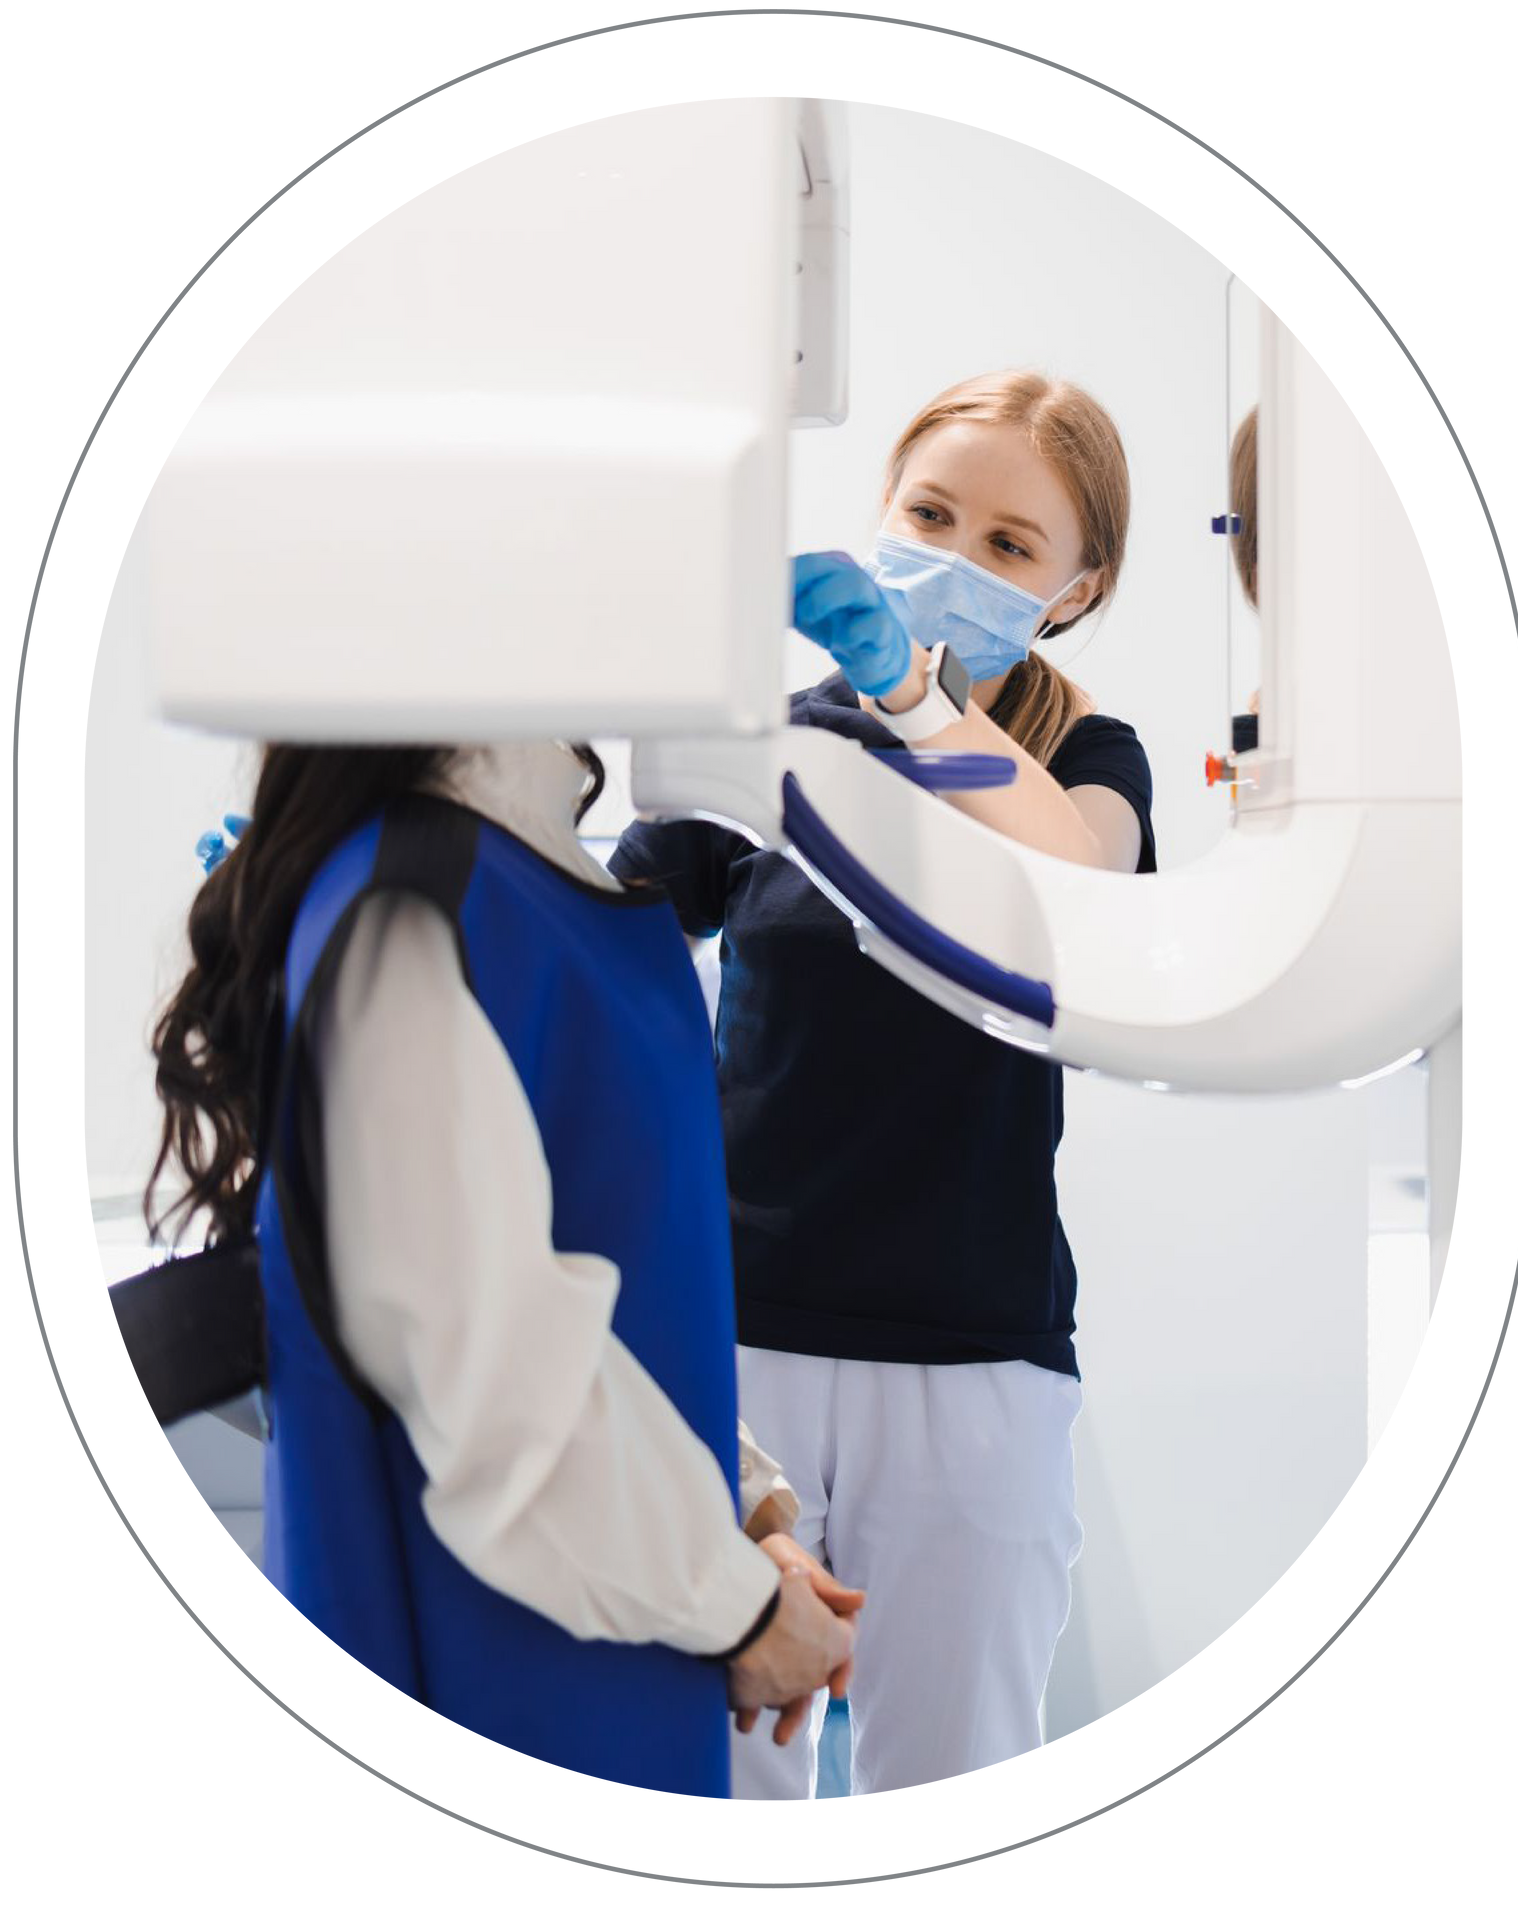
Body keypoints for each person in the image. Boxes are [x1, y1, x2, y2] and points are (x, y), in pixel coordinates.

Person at [610, 369, 1158, 1799]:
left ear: (1076, 589)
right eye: (929, 514)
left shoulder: (1083, 757)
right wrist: (399, 872)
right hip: (745, 1339)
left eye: (1009, 544)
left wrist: (913, 699)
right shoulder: (778, 736)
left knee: (955, 1777)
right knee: (718, 1781)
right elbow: (609, 926)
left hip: (973, 1358)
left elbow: (1082, 881)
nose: (954, 555)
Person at [146, 738, 866, 1799]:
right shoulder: (419, 907)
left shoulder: (527, 876)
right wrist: (737, 1605)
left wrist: (743, 1513)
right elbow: (499, 1393)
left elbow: (607, 1305)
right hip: (505, 1677)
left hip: (611, 1657)